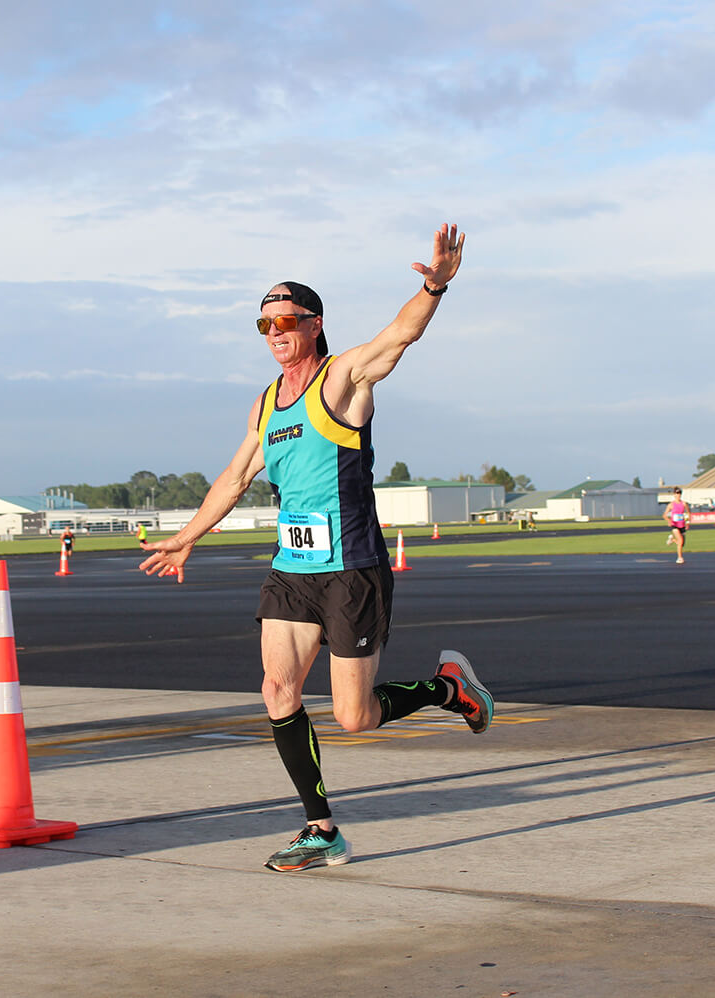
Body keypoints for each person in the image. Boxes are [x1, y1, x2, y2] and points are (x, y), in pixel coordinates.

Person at [139, 223, 493, 873]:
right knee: (277, 690)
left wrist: (435, 286)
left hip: (351, 569)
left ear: (314, 324)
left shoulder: (344, 378)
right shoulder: (265, 404)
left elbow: (400, 335)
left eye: (285, 321)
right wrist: (187, 538)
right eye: (264, 324)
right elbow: (235, 477)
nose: (274, 332)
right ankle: (320, 828)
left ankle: (448, 689)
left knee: (355, 716)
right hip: (291, 570)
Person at [664, 487, 688, 564]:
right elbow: (664, 515)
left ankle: (672, 540)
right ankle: (679, 558)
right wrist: (669, 521)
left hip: (682, 525)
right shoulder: (671, 505)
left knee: (682, 543)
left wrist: (687, 523)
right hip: (675, 525)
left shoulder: (684, 504)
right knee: (680, 541)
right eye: (676, 493)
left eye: (679, 493)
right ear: (674, 494)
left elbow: (688, 513)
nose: (678, 495)